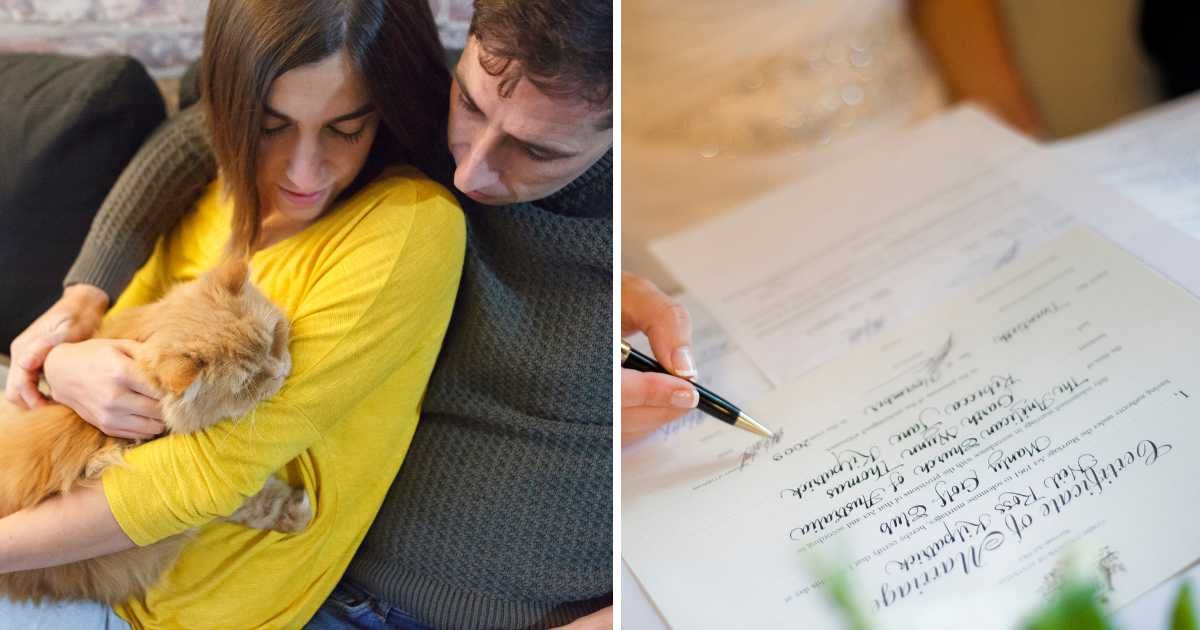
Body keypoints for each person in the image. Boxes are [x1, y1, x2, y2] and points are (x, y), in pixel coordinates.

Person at [6, 0, 613, 627]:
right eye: (469, 106)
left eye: (538, 152)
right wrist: (75, 322)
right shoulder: (241, 166)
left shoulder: (413, 223)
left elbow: (203, 475)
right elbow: (200, 126)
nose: (470, 169)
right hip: (83, 559)